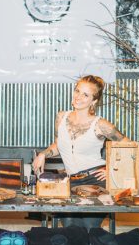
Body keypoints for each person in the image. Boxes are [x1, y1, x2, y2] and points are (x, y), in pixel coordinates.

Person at [32, 75, 131, 231]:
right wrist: (43, 154)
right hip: (70, 183)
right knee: (71, 228)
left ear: (94, 101)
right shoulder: (61, 117)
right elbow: (58, 145)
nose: (78, 96)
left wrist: (112, 169)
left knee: (88, 228)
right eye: (77, 91)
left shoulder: (101, 124)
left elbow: (129, 147)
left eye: (85, 94)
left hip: (95, 183)